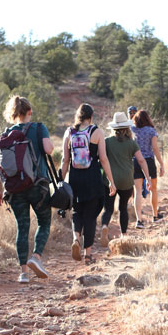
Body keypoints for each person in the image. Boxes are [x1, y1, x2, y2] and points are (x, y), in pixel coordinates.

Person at [0, 95, 54, 283]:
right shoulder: (38, 128)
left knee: (22, 227)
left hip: (14, 188)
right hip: (37, 185)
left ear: (12, 114)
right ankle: (36, 258)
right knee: (44, 221)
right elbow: (49, 149)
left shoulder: (5, 135)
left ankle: (23, 274)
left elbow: (0, 167)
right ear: (29, 112)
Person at [61, 104, 116, 264]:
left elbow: (65, 160)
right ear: (91, 117)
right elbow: (104, 159)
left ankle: (76, 238)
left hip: (75, 178)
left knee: (77, 212)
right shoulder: (97, 132)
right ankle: (88, 254)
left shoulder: (69, 132)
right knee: (90, 216)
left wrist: (60, 181)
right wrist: (111, 181)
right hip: (92, 178)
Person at [100, 112, 151, 245]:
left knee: (108, 208)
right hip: (127, 180)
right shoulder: (131, 143)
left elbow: (101, 160)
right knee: (123, 208)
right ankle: (123, 236)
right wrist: (148, 178)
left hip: (110, 180)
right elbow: (141, 160)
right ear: (127, 128)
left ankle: (105, 225)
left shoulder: (107, 142)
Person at [132, 109, 165, 228]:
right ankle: (155, 216)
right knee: (153, 189)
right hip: (149, 161)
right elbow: (155, 149)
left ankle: (139, 220)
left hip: (135, 161)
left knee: (137, 191)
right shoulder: (151, 131)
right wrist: (161, 164)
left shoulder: (132, 130)